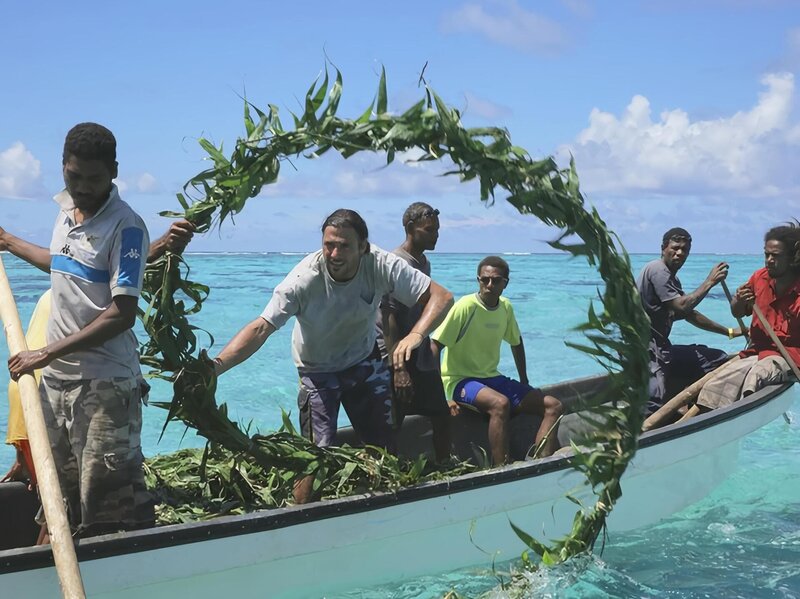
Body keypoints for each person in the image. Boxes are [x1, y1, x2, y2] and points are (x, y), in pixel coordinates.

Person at [212, 208, 453, 500]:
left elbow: (441, 297)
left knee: (384, 448)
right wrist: (215, 367)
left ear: (363, 247)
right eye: (329, 245)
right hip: (317, 371)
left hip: (364, 362)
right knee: (314, 456)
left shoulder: (380, 264)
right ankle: (300, 514)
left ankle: (382, 505)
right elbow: (261, 328)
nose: (334, 254)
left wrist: (415, 335)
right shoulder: (303, 279)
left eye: (344, 246)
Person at [1, 123, 159, 537]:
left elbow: (122, 312)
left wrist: (46, 353)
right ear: (63, 168)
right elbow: (60, 263)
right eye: (74, 176)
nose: (83, 187)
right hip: (57, 384)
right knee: (59, 496)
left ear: (114, 172)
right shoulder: (65, 210)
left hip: (105, 386)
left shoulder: (126, 227)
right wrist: (9, 241)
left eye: (94, 179)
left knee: (109, 505)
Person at [1, 220, 194, 486]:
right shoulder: (79, 303)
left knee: (60, 501)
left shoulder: (60, 293)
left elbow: (122, 266)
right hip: (51, 405)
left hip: (35, 409)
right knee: (79, 501)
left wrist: (8, 240)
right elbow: (121, 271)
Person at [431, 256, 562, 465]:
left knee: (553, 405)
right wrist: (440, 396)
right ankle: (502, 468)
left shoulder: (506, 307)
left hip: (492, 378)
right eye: (484, 280)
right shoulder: (466, 306)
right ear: (478, 280)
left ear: (505, 283)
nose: (489, 285)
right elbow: (435, 345)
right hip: (461, 381)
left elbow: (516, 342)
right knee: (500, 404)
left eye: (496, 280)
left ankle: (540, 461)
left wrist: (524, 380)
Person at [636, 227, 745, 414]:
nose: (680, 253)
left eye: (685, 250)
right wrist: (709, 282)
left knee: (712, 359)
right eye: (675, 248)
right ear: (663, 248)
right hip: (647, 350)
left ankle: (692, 409)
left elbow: (689, 314)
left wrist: (728, 332)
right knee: (652, 403)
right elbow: (681, 306)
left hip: (662, 348)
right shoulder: (657, 269)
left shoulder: (672, 280)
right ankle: (646, 434)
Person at [697, 224, 800, 408]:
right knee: (716, 383)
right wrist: (739, 299)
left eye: (775, 256)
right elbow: (736, 312)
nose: (769, 260)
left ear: (792, 258)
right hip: (757, 352)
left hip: (789, 357)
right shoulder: (759, 278)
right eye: (766, 254)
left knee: (756, 376)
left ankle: (740, 415)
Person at [378, 202, 451, 462]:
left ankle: (444, 468)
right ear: (410, 228)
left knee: (441, 414)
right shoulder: (397, 262)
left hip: (418, 350)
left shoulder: (423, 262)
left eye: (437, 230)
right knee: (392, 423)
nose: (436, 235)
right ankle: (387, 477)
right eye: (430, 230)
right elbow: (388, 317)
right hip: (396, 353)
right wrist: (397, 368)